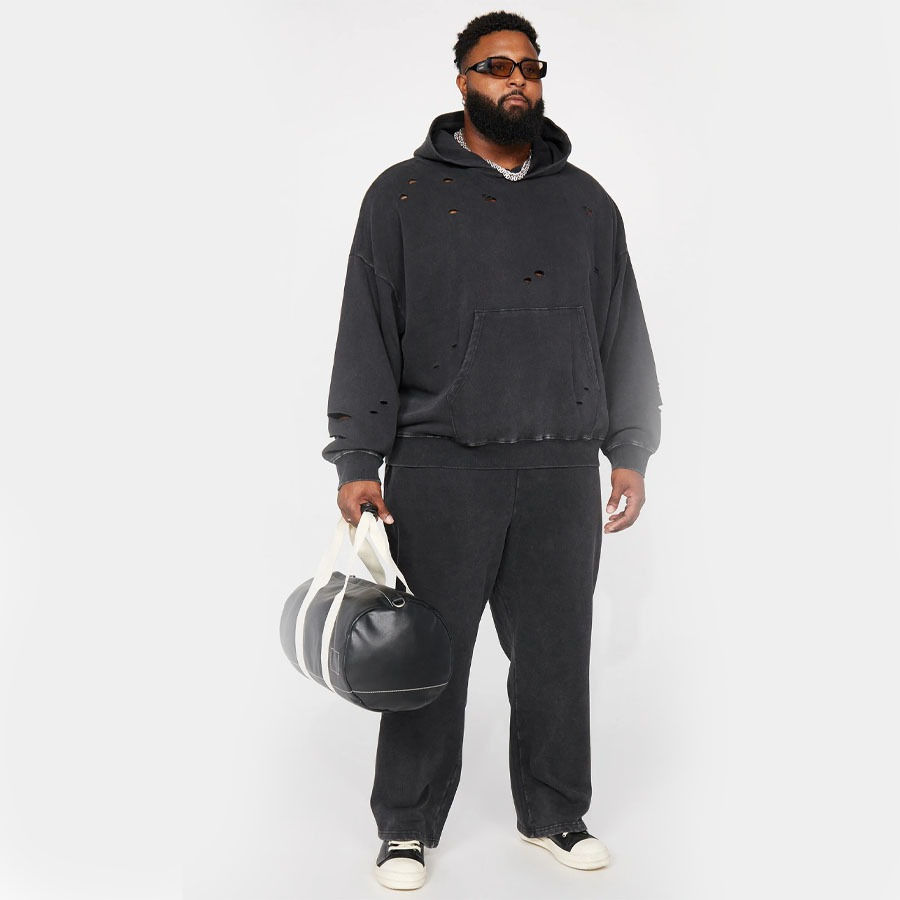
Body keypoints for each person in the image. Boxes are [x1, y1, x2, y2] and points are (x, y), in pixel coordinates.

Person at [321, 11, 662, 891]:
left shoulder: (586, 202)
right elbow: (367, 330)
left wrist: (630, 446)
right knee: (425, 656)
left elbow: (622, 329)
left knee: (556, 656)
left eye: (530, 67)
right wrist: (358, 460)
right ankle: (406, 826)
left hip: (560, 466)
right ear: (462, 81)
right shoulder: (400, 196)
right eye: (496, 65)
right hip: (442, 465)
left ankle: (553, 812)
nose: (517, 79)